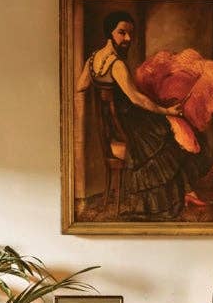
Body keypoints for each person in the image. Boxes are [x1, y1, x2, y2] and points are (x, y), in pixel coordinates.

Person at [76, 11, 186, 221]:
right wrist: (167, 111)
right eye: (122, 32)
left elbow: (80, 86)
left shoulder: (92, 59)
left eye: (130, 34)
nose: (128, 38)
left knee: (163, 130)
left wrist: (99, 88)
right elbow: (136, 99)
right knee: (166, 133)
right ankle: (161, 205)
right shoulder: (117, 64)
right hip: (127, 126)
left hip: (114, 127)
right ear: (109, 32)